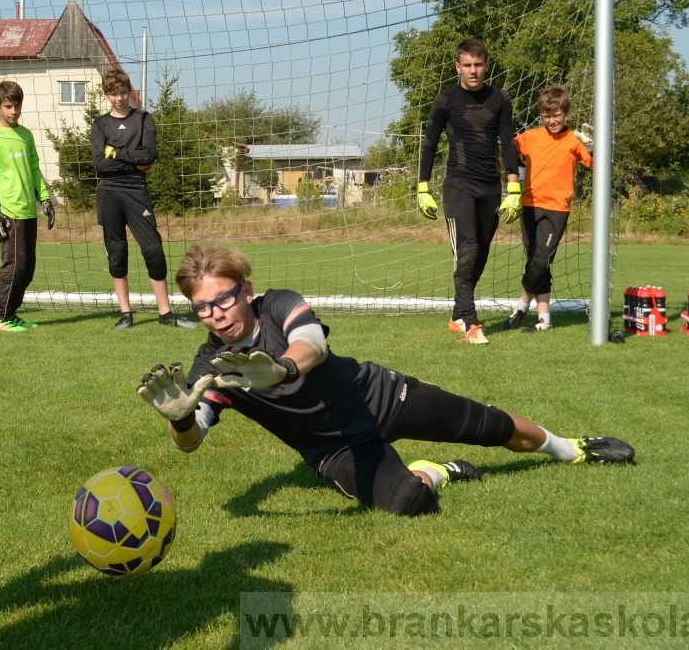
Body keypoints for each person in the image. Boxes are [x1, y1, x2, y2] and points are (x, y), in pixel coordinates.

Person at [136, 244, 634, 518]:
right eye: (202, 307)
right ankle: (440, 470)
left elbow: (312, 342)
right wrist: (181, 420)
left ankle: (572, 448)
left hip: (380, 396)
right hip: (335, 451)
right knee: (412, 503)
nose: (216, 314)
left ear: (245, 290)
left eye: (223, 299)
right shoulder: (211, 366)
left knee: (492, 426)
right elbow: (192, 439)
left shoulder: (280, 303)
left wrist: (284, 366)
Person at [417, 38, 521, 345]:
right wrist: (422, 186)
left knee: (482, 254)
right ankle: (472, 323)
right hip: (458, 185)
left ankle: (456, 315)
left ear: (486, 65)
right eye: (467, 65)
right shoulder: (445, 100)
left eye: (478, 65)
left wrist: (514, 187)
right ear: (457, 67)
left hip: (491, 186)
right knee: (468, 250)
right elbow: (430, 144)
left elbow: (508, 143)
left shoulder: (500, 98)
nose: (473, 71)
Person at [91, 68, 196, 330]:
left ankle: (166, 314)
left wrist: (114, 153)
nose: (119, 98)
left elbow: (148, 156)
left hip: (137, 191)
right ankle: (126, 314)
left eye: (123, 92)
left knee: (153, 251)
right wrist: (132, 159)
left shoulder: (144, 119)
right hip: (109, 193)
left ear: (130, 92)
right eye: (113, 94)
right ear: (107, 95)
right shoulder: (100, 124)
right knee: (117, 253)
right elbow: (99, 165)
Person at [504, 86, 595, 333]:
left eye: (556, 115)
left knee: (540, 262)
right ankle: (545, 319)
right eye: (546, 116)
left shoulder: (575, 139)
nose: (552, 120)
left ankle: (521, 308)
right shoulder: (530, 136)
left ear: (566, 113)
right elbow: (505, 151)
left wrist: (592, 148)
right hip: (528, 205)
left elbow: (600, 167)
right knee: (536, 262)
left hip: (556, 209)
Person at [0, 81, 54, 332]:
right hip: (7, 211)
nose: (13, 111)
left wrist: (44, 198)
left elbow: (33, 170)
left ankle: (10, 314)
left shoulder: (26, 135)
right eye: (8, 106)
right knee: (13, 266)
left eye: (17, 106)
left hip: (28, 211)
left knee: (27, 268)